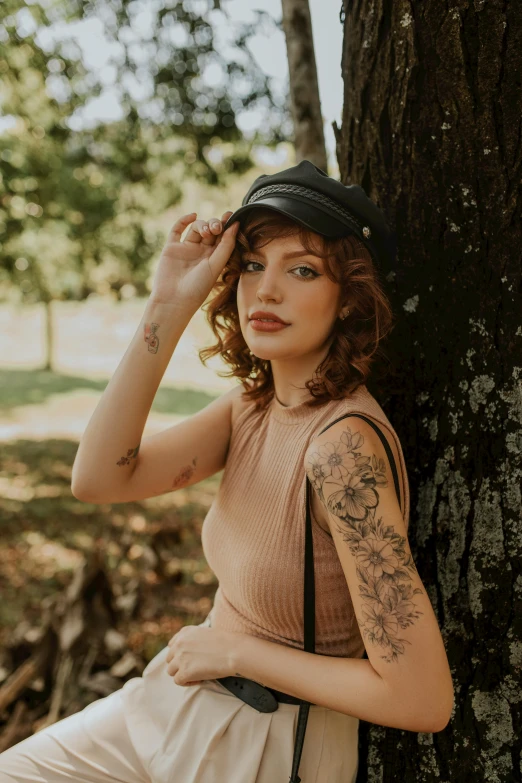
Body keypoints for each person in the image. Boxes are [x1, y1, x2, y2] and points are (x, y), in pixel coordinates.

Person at [0, 160, 454, 783]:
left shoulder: (342, 449)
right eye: (251, 265)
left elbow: (420, 699)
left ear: (349, 298)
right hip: (170, 701)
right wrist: (168, 302)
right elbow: (99, 478)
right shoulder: (253, 406)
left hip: (261, 744)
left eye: (301, 269)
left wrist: (238, 651)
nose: (265, 290)